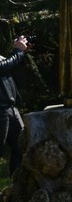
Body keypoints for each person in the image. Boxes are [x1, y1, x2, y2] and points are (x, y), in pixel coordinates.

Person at [0, 36, 30, 177]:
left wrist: (22, 52)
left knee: (21, 146)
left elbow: (9, 67)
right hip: (1, 110)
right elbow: (2, 67)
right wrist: (18, 51)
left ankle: (17, 186)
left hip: (11, 108)